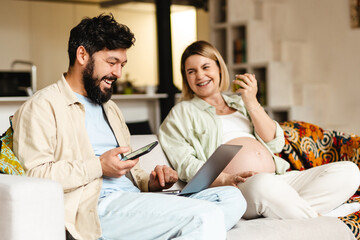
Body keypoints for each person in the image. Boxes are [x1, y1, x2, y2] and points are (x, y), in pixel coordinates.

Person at [12, 15, 247, 240]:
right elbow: (35, 177)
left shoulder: (110, 107)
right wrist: (99, 166)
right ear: (82, 54)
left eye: (122, 64)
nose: (118, 73)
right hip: (95, 207)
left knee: (232, 198)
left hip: (131, 198)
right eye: (111, 62)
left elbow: (127, 171)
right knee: (206, 215)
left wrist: (151, 182)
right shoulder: (42, 106)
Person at [159, 40, 360, 220]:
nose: (200, 75)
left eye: (205, 67)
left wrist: (252, 101)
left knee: (348, 171)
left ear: (219, 68)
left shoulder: (240, 103)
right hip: (238, 188)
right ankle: (324, 218)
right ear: (185, 78)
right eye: (191, 71)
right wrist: (224, 178)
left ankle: (294, 212)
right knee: (263, 184)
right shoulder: (180, 113)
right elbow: (185, 164)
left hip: (279, 179)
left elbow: (275, 142)